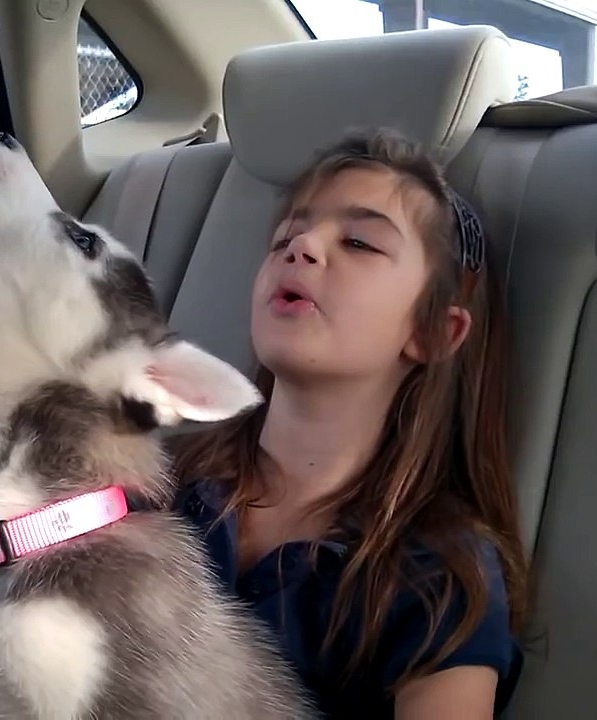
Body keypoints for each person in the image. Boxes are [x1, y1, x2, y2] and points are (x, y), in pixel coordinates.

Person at [171, 128, 529, 719]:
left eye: (360, 242)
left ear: (435, 331)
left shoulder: (436, 575)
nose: (303, 245)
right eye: (286, 235)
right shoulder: (167, 488)